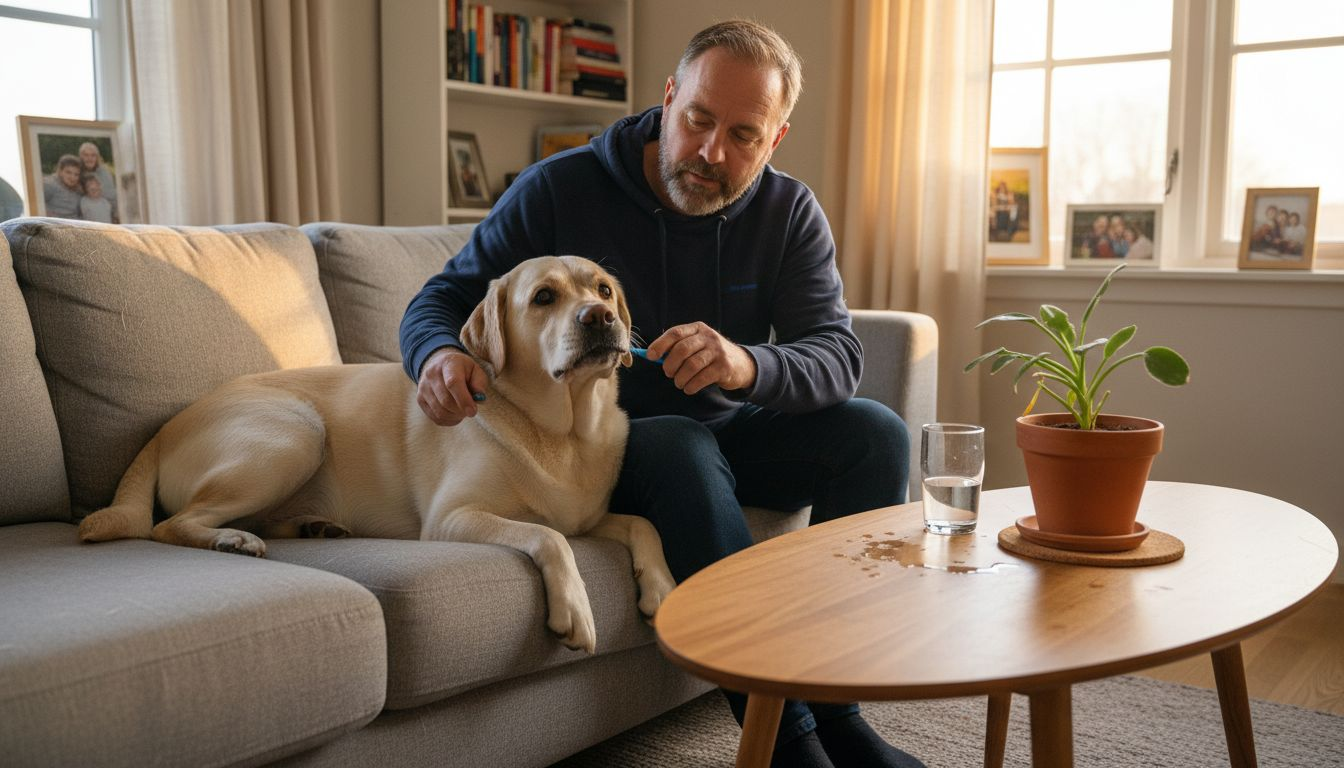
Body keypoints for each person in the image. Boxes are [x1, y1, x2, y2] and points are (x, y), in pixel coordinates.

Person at [400, 19, 919, 768]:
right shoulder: (561, 186)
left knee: (876, 433)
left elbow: (837, 355)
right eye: (698, 120)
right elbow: (438, 301)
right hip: (618, 443)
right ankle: (790, 742)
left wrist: (746, 365)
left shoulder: (788, 212)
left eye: (742, 135)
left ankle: (841, 714)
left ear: (774, 141)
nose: (711, 153)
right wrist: (440, 355)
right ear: (669, 98)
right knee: (679, 441)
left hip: (733, 425)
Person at [78, 142, 118, 222]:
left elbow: (112, 196)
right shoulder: (77, 172)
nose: (90, 158)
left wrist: (115, 215)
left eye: (93, 155)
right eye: (86, 155)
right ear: (81, 157)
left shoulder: (104, 173)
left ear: (97, 158)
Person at [42, 154, 84, 219]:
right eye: (68, 172)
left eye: (76, 174)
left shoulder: (78, 190)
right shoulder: (50, 185)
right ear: (60, 171)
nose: (72, 177)